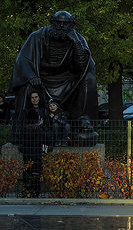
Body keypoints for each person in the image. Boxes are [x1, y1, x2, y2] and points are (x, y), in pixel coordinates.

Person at [9, 11, 98, 142]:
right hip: (41, 79)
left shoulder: (78, 39)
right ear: (52, 22)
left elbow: (83, 65)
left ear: (71, 25)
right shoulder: (36, 37)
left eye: (65, 24)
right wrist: (32, 75)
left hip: (67, 81)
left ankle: (83, 120)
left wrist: (76, 43)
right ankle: (21, 129)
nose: (61, 27)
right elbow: (23, 60)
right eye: (58, 23)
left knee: (88, 78)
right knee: (27, 86)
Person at [20, 90, 48, 195]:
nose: (34, 99)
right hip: (36, 152)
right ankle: (35, 191)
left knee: (27, 170)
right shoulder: (38, 129)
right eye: (32, 97)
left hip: (27, 152)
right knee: (36, 171)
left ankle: (26, 190)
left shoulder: (25, 129)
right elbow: (44, 138)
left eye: (36, 97)